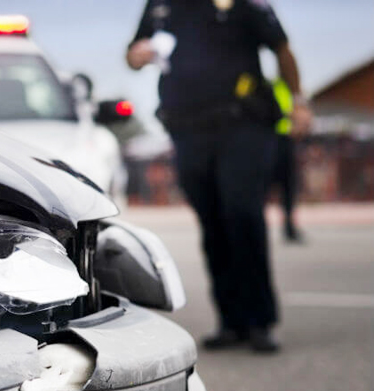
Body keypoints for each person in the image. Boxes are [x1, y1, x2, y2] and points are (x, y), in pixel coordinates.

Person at [126, 0, 312, 352]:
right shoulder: (162, 5)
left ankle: (259, 321)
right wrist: (137, 55)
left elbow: (281, 48)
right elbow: (134, 54)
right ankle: (231, 320)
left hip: (242, 125)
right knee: (212, 222)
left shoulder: (244, 4)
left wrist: (299, 101)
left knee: (242, 213)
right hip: (186, 130)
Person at [271, 78, 304, 242]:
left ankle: (289, 227)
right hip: (269, 140)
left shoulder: (290, 89)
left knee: (289, 187)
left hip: (285, 140)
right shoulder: (272, 87)